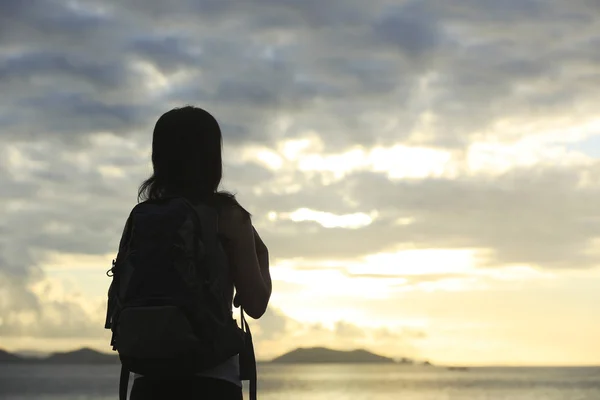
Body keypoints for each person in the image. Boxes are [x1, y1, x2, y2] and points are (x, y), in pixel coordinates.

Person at [120, 106, 271, 400]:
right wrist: (261, 258)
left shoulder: (144, 216)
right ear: (213, 157)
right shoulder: (227, 215)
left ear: (158, 157)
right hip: (212, 381)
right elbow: (255, 304)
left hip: (148, 381)